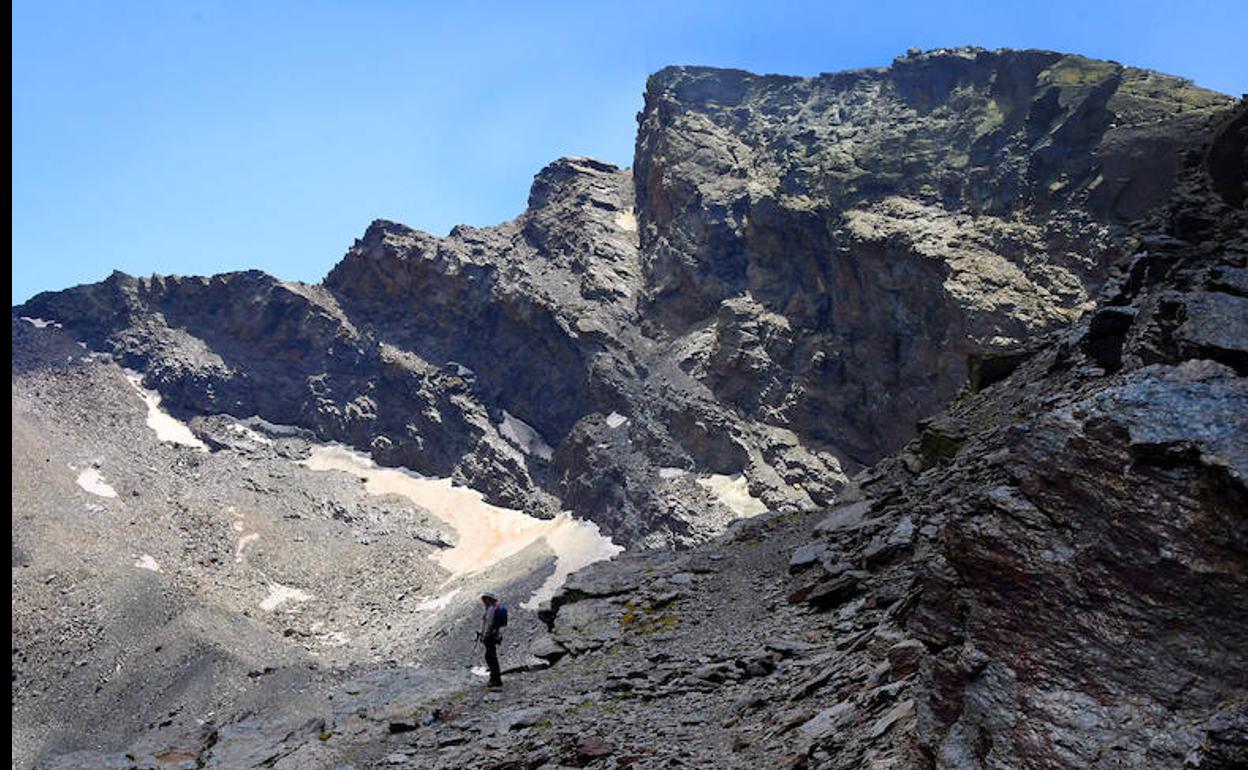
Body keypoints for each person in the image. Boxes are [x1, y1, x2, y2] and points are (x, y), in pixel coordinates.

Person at [477, 592, 504, 687]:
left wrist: (484, 635)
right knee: (491, 657)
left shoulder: (491, 609)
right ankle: (495, 678)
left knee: (491, 657)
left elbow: (489, 623)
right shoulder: (492, 608)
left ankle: (495, 679)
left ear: (489, 599)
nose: (483, 601)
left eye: (485, 599)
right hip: (493, 636)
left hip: (490, 637)